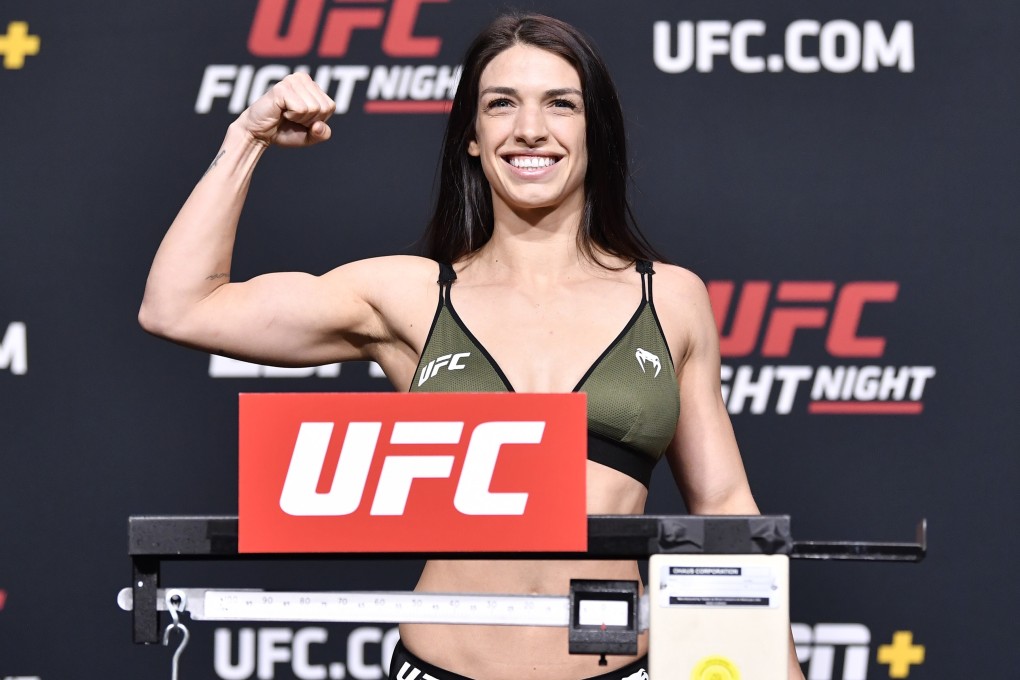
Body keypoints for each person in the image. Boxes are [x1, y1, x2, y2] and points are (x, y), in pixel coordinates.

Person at [139, 12, 805, 680]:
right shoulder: (410, 297)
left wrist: (780, 668)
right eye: (501, 105)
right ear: (473, 138)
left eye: (560, 104)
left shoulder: (669, 297)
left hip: (620, 669)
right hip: (440, 668)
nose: (530, 130)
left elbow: (723, 510)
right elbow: (181, 306)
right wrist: (247, 137)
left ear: (593, 133)